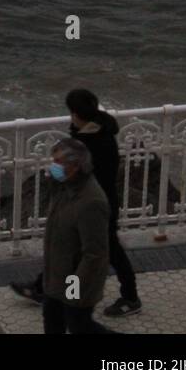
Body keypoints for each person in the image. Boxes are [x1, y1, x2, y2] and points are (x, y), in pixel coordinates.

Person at [10, 89, 142, 317]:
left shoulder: (88, 143)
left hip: (90, 205)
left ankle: (126, 297)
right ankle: (47, 289)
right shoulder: (102, 132)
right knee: (86, 249)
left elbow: (74, 173)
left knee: (100, 251)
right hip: (100, 199)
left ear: (75, 113)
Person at [38, 138, 116, 334]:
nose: (53, 166)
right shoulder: (64, 186)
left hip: (74, 283)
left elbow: (94, 253)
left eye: (58, 162)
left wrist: (72, 292)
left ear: (75, 166)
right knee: (52, 321)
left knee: (80, 326)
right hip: (56, 276)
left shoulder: (91, 202)